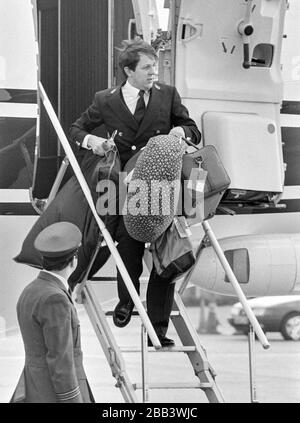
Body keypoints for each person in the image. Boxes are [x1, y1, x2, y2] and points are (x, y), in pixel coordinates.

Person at [69, 39, 201, 347]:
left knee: (164, 250)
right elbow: (76, 128)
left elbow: (192, 128)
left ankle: (158, 328)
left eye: (154, 66)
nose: (154, 71)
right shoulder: (105, 100)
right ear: (129, 70)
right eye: (147, 67)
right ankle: (126, 302)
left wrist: (183, 131)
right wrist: (95, 142)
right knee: (128, 242)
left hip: (162, 184)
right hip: (128, 184)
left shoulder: (168, 96)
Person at [10, 222, 94, 403]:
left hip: (34, 387)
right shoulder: (56, 299)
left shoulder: (30, 290)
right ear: (73, 260)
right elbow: (61, 360)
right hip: (54, 394)